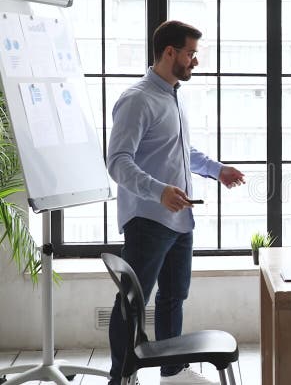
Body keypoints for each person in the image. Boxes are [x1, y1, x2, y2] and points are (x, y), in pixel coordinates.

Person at [106, 20, 245, 385]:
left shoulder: (173, 95)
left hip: (180, 223)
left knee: (172, 300)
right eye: (191, 53)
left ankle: (172, 375)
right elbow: (117, 161)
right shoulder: (137, 99)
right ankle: (120, 377)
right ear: (170, 52)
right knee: (132, 305)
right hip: (149, 221)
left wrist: (217, 170)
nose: (195, 61)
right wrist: (159, 190)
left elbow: (182, 153)